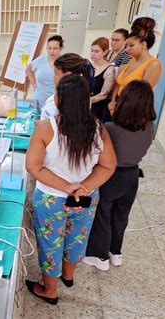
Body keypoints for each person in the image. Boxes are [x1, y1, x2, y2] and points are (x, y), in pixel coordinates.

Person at [25, 74, 116, 305]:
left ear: (59, 100)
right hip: (86, 198)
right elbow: (108, 165)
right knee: (77, 238)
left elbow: (33, 166)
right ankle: (68, 276)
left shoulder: (46, 128)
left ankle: (50, 290)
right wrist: (85, 187)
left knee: (50, 242)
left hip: (51, 199)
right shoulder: (98, 127)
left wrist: (67, 187)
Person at [84, 80, 155, 270]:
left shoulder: (110, 128)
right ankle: (115, 253)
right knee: (121, 216)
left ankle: (99, 256)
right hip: (132, 176)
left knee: (103, 214)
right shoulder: (150, 127)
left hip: (111, 176)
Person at [109, 17, 162, 114]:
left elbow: (141, 96)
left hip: (132, 112)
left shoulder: (153, 64)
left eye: (131, 45)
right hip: (118, 106)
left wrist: (118, 109)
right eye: (127, 45)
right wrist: (113, 103)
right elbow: (119, 83)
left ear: (143, 45)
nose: (127, 49)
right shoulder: (132, 59)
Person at [40, 53, 94, 120]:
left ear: (67, 75)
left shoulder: (70, 101)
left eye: (56, 73)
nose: (53, 77)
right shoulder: (71, 93)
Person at [27, 35, 64, 108]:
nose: (51, 51)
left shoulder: (64, 62)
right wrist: (34, 83)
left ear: (60, 49)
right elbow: (29, 69)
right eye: (49, 48)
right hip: (39, 101)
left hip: (56, 102)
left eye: (55, 48)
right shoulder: (40, 60)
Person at [89, 37, 115, 121]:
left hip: (97, 108)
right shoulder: (88, 66)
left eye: (96, 51)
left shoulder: (109, 70)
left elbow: (103, 95)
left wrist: (85, 101)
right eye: (92, 50)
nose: (93, 54)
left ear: (105, 52)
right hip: (85, 105)